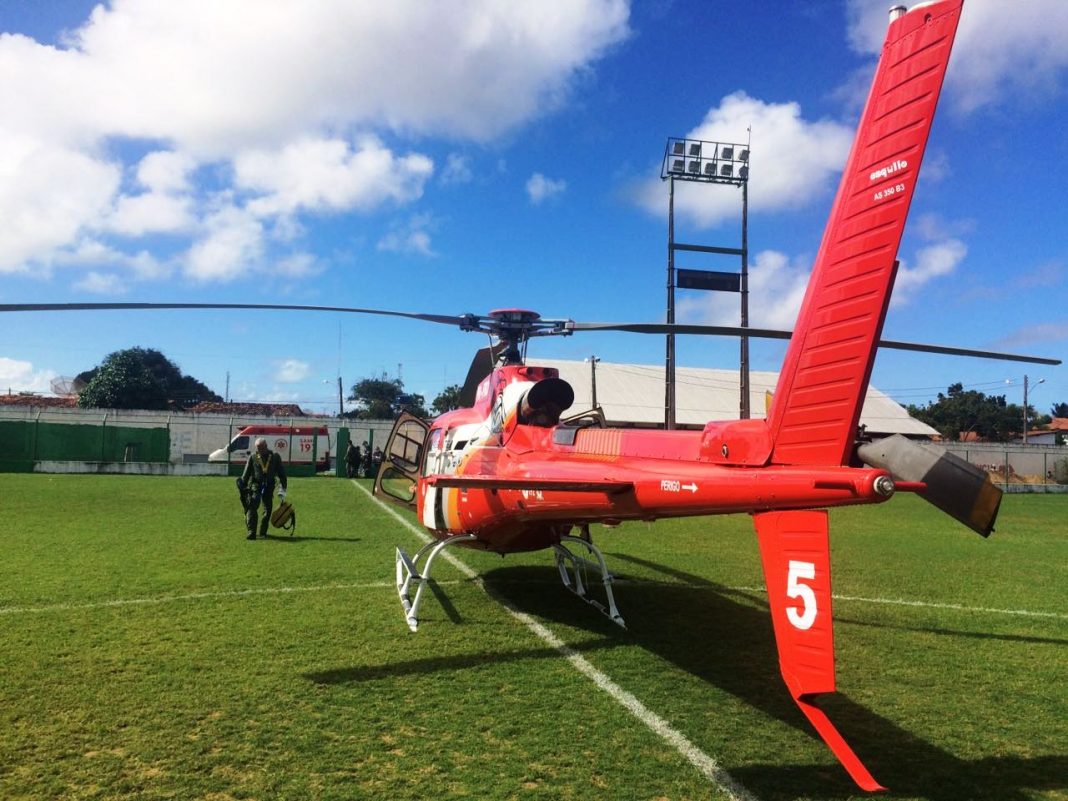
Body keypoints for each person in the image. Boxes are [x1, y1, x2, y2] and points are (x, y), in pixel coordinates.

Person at [240, 437, 288, 540]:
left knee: (268, 510)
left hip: (269, 486)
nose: (260, 450)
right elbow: (246, 474)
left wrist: (283, 488)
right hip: (256, 486)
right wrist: (242, 486)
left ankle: (262, 532)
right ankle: (251, 532)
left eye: (262, 448)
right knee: (252, 506)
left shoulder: (275, 457)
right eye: (258, 448)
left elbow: (282, 474)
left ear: (266, 446)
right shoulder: (253, 457)